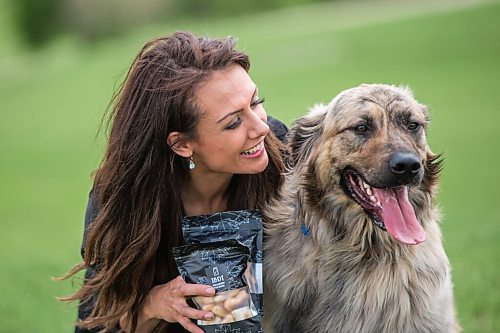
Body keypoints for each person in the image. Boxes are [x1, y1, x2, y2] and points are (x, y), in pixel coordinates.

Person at [60, 31, 288, 333]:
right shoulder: (126, 201)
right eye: (233, 122)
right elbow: (96, 325)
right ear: (181, 144)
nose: (260, 127)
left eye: (256, 102)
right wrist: (155, 304)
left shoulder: (281, 153)